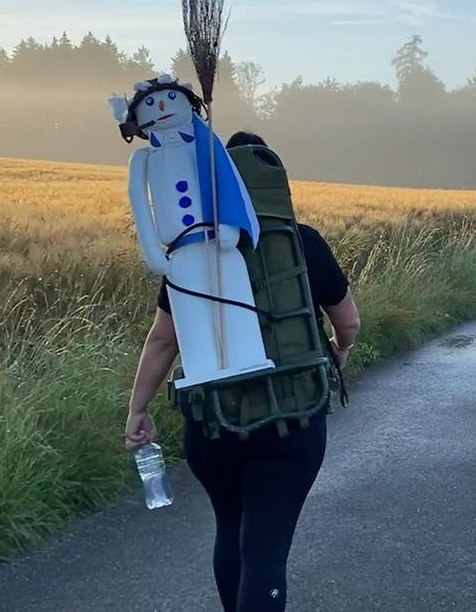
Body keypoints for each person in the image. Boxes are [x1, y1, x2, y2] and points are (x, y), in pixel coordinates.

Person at [125, 132, 361, 612]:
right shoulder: (302, 241)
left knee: (230, 528)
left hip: (213, 424)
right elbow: (350, 321)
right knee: (265, 549)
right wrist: (336, 352)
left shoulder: (188, 251)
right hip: (291, 419)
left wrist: (138, 409)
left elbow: (164, 339)